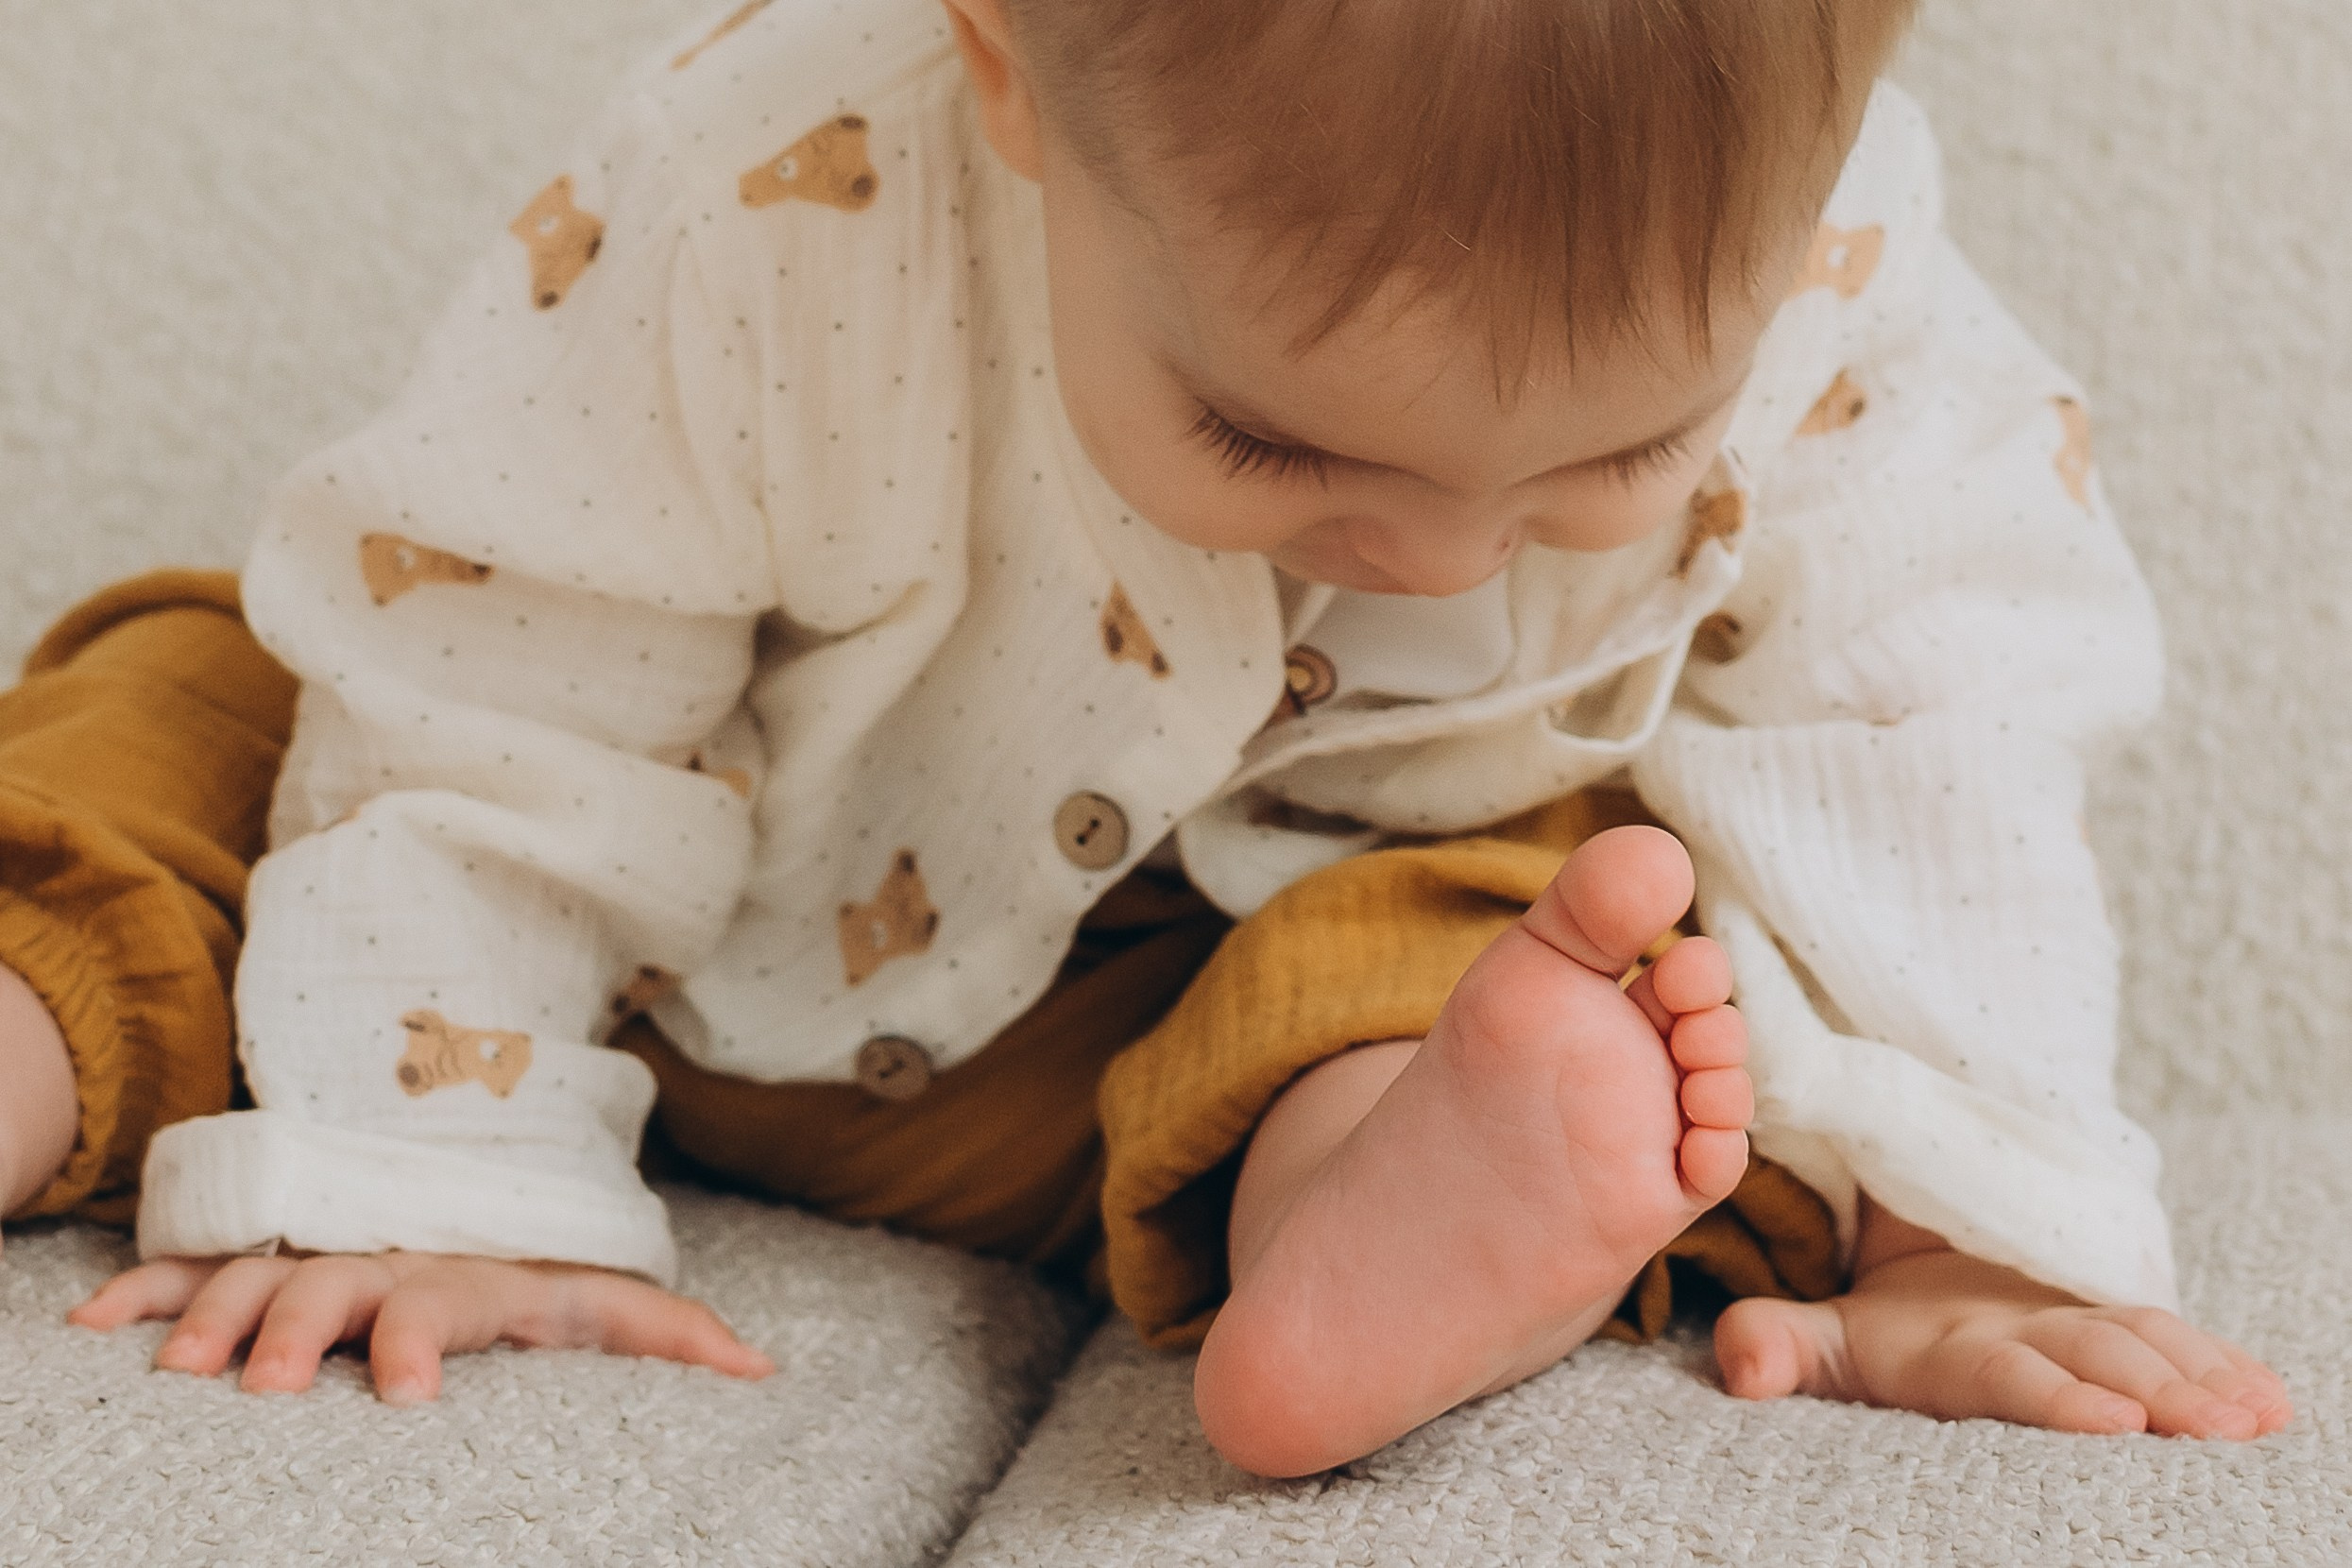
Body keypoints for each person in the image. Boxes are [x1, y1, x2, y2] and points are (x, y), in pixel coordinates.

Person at [0, 0, 2291, 1478]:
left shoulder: (1847, 278)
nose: (1441, 559)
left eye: (1616, 457)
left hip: (1168, 1024)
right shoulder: (776, 182)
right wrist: (422, 1157)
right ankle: (27, 1018)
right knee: (220, 689)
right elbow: (505, 653)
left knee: (1592, 954)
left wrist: (1970, 1227)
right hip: (595, 900)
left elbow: (1937, 732)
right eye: (1278, 442)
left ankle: (1376, 1198)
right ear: (1007, 65)